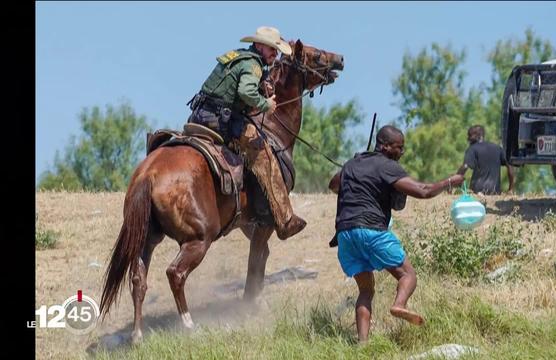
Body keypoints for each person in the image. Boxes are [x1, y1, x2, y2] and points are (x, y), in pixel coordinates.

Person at [328, 125, 464, 343]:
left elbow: (334, 184)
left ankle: (363, 345)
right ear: (384, 146)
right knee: (407, 275)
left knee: (365, 290)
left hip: (345, 235)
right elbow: (424, 191)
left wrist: (355, 170)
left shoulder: (353, 163)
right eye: (399, 147)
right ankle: (399, 305)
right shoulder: (387, 166)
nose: (402, 152)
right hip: (372, 231)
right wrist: (449, 182)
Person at [186, 26, 306, 240]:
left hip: (199, 116)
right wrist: (265, 104)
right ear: (259, 45)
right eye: (272, 49)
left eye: (277, 51)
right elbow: (245, 91)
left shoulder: (239, 57)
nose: (275, 54)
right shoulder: (253, 65)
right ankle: (285, 219)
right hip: (222, 121)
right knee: (265, 155)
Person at [456, 125, 515, 195]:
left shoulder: (472, 149)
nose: (468, 139)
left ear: (479, 136)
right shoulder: (498, 148)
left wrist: (455, 182)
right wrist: (511, 188)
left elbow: (465, 166)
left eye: (470, 136)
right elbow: (510, 166)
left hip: (477, 191)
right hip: (495, 192)